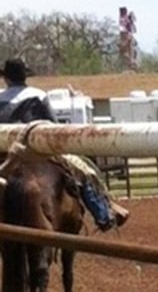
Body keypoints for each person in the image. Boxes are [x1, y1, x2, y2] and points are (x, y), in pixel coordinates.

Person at [0, 58, 129, 230]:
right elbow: (53, 124)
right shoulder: (38, 94)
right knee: (82, 169)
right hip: (35, 147)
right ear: (25, 77)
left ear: (5, 78)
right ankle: (104, 213)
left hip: (4, 150)